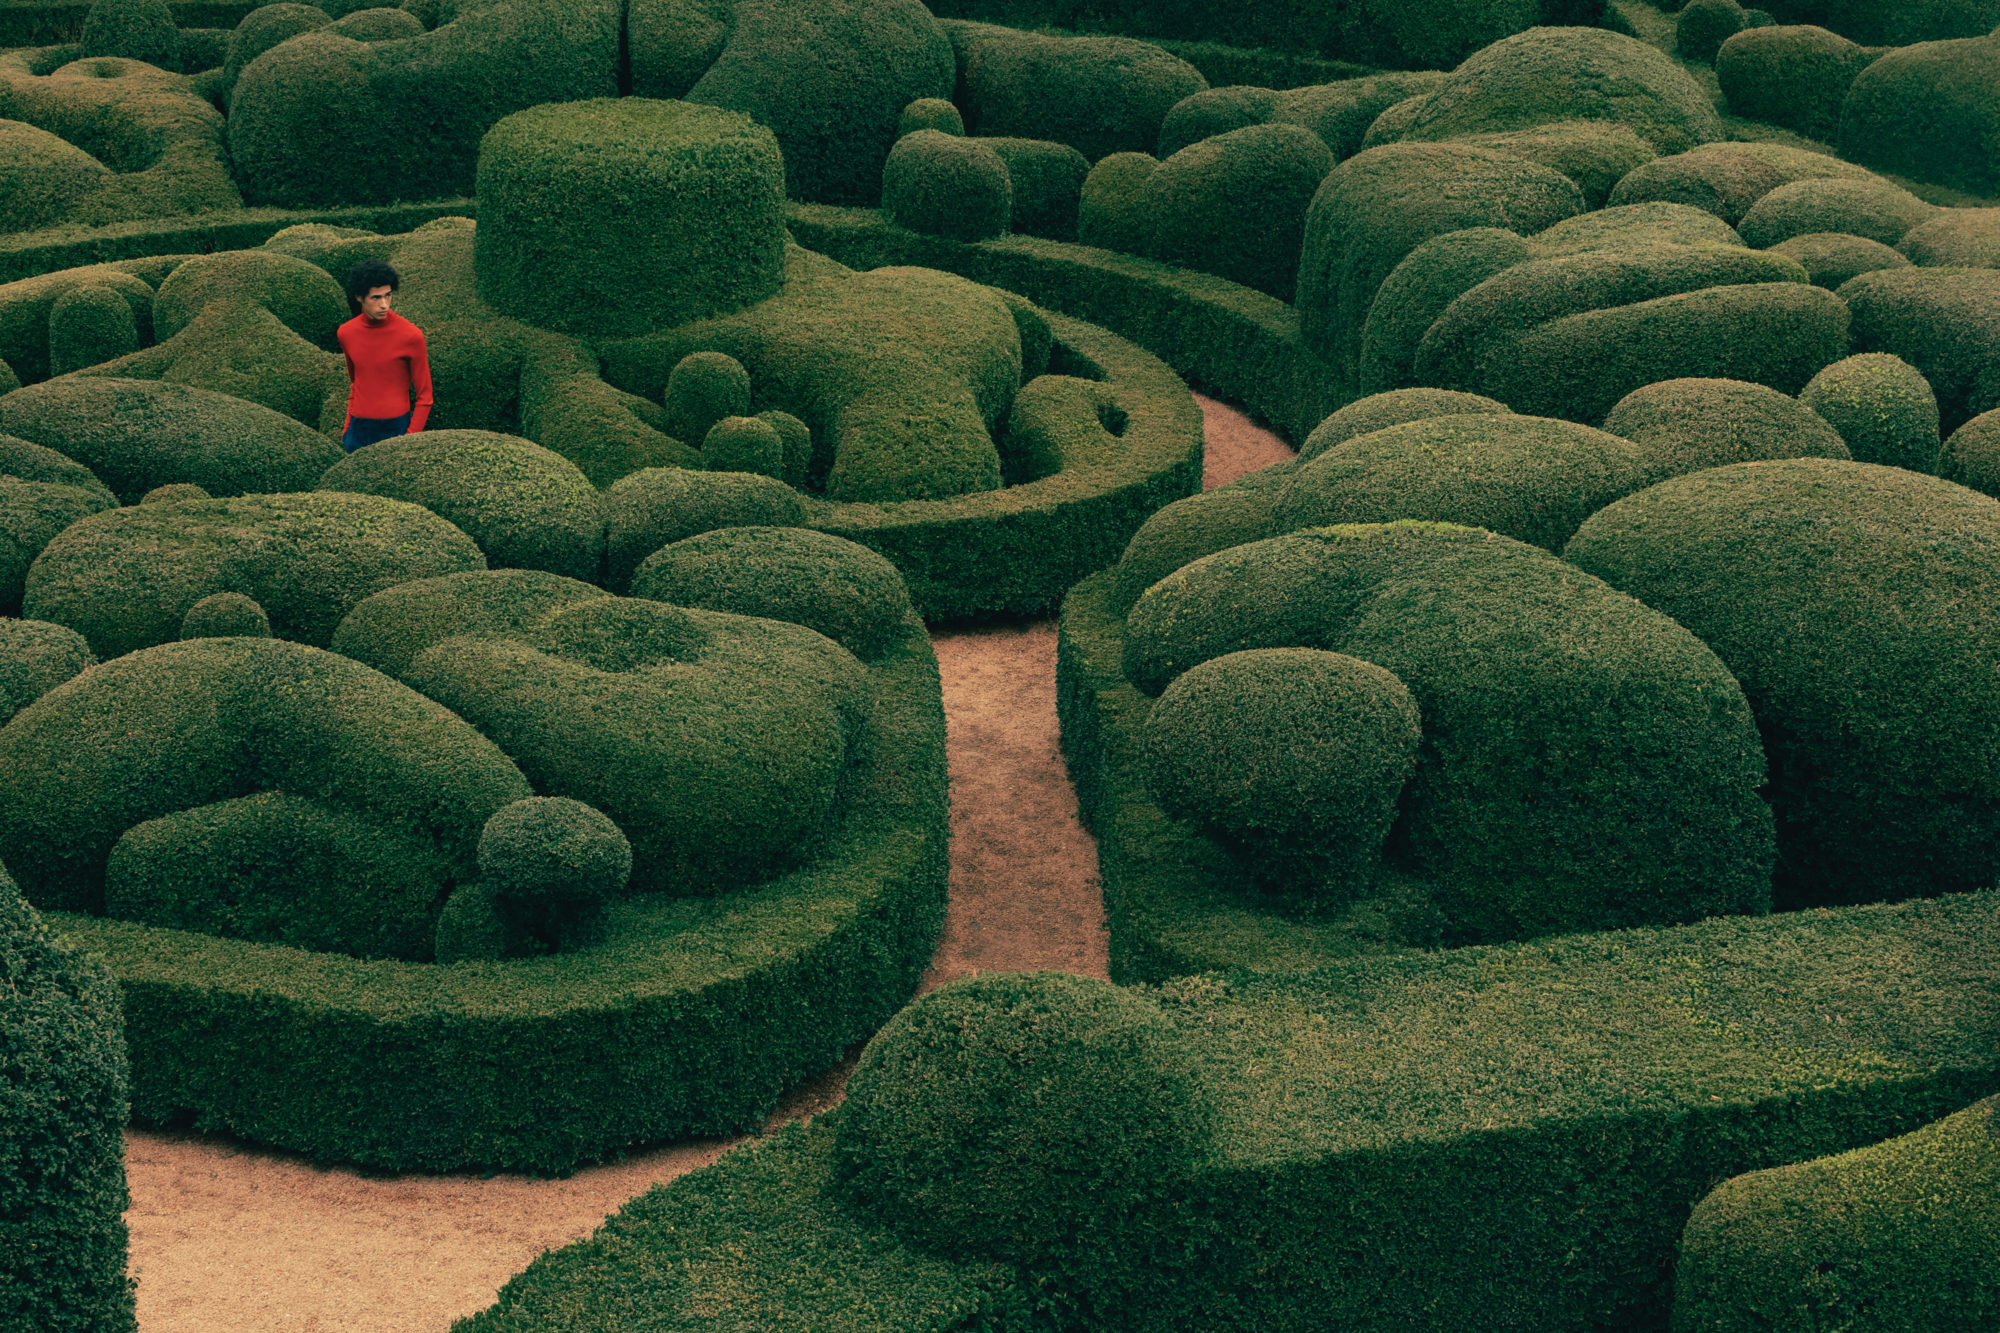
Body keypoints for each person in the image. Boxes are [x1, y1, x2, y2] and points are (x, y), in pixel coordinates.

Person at [338, 258, 433, 452]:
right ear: (359, 297)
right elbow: (356, 382)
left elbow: (425, 396)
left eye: (388, 295)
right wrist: (347, 429)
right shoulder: (346, 333)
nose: (384, 304)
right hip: (358, 429)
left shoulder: (411, 336)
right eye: (376, 297)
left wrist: (409, 440)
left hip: (396, 428)